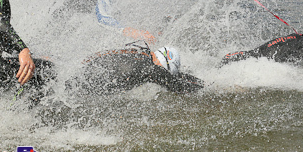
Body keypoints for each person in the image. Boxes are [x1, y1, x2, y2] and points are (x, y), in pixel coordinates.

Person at [67, 44, 203, 95]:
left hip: (80, 73)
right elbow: (176, 85)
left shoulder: (138, 53)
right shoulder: (151, 69)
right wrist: (205, 86)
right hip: (84, 87)